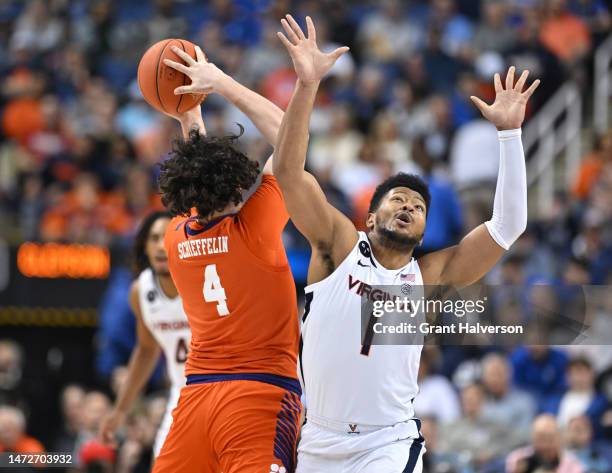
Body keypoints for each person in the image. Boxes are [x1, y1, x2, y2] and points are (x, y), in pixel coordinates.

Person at [274, 14, 539, 472]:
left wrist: (510, 133)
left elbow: (507, 226)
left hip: (388, 442)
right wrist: (306, 86)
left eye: (418, 208)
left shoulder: (429, 276)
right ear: (371, 215)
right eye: (398, 199)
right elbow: (289, 175)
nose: (408, 208)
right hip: (317, 437)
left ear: (422, 231)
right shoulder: (337, 247)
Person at [150, 45, 301, 473]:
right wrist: (220, 83)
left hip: (196, 397)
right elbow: (290, 136)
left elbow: (197, 173)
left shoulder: (176, 238)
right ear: (237, 188)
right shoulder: (256, 228)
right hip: (261, 395)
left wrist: (186, 113)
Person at [99, 210, 190, 457]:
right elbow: (146, 350)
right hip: (182, 395)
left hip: (222, 388)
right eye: (153, 238)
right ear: (145, 247)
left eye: (167, 237)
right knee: (161, 462)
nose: (161, 246)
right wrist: (120, 410)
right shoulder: (141, 290)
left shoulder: (202, 276)